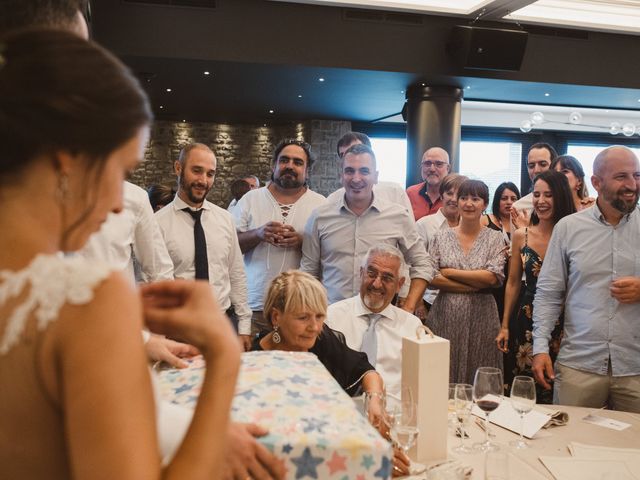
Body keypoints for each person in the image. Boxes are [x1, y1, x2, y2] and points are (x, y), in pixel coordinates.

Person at [0, 28, 240, 479]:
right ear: (68, 156)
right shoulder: (87, 300)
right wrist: (224, 357)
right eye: (120, 169)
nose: (116, 202)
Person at [252, 270, 411, 477]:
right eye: (303, 318)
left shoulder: (320, 339)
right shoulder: (255, 364)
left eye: (320, 316)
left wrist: (375, 402)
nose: (315, 327)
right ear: (276, 317)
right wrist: (367, 458)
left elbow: (365, 371)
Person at [532, 146, 640, 412]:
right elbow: (548, 293)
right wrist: (540, 347)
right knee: (569, 446)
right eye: (621, 177)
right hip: (579, 364)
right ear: (596, 182)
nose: (632, 185)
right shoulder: (569, 228)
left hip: (635, 366)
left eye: (636, 175)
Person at [301, 144, 433, 312]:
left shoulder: (398, 217)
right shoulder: (320, 217)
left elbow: (422, 264)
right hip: (332, 318)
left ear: (376, 176)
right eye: (349, 171)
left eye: (364, 171)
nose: (356, 178)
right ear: (340, 176)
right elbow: (308, 272)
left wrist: (409, 306)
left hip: (382, 317)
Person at [155, 143, 253, 350]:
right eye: (197, 170)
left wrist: (244, 325)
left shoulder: (225, 219)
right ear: (178, 168)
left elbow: (236, 272)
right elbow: (152, 284)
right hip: (178, 331)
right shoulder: (156, 224)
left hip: (222, 324)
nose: (203, 180)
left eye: (210, 174)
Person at [495, 171, 575, 402]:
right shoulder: (522, 235)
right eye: (537, 194)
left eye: (548, 195)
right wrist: (505, 325)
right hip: (527, 318)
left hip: (568, 320)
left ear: (561, 196)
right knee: (524, 387)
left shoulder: (575, 234)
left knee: (561, 387)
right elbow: (512, 283)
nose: (541, 201)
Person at [233, 139, 325, 337]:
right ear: (273, 165)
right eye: (284, 160)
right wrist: (258, 234)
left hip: (300, 308)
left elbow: (328, 255)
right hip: (254, 306)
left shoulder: (321, 205)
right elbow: (229, 247)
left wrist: (302, 241)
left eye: (298, 162)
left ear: (307, 170)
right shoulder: (251, 199)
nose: (290, 166)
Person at [426, 180, 506, 384]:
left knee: (482, 371)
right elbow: (431, 276)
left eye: (475, 198)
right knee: (440, 372)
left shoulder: (496, 238)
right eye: (464, 198)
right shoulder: (440, 237)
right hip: (445, 314)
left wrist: (450, 271)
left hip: (483, 316)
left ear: (485, 204)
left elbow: (493, 276)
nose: (469, 203)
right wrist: (475, 285)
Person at [326, 245, 422, 398]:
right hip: (343, 408)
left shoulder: (412, 327)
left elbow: (420, 384)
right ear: (361, 273)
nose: (377, 284)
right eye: (371, 273)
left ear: (399, 284)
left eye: (387, 278)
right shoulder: (332, 317)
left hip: (393, 412)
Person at [414, 173, 468, 319]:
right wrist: (418, 304)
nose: (453, 199)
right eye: (449, 193)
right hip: (430, 301)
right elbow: (414, 267)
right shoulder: (424, 225)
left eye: (459, 195)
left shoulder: (470, 226)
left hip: (465, 304)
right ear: (441, 195)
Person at [481, 182, 521, 321]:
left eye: (513, 198)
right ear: (497, 200)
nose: (509, 202)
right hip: (491, 280)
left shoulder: (523, 223)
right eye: (504, 198)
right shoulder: (486, 220)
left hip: (515, 278)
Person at [511, 143, 557, 229]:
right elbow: (516, 241)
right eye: (531, 166)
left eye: (543, 164)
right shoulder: (518, 208)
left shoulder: (567, 202)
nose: (536, 170)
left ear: (554, 166)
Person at [406, 147, 451, 221]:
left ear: (448, 168)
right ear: (421, 167)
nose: (432, 169)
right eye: (427, 163)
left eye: (439, 164)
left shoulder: (456, 195)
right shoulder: (410, 193)